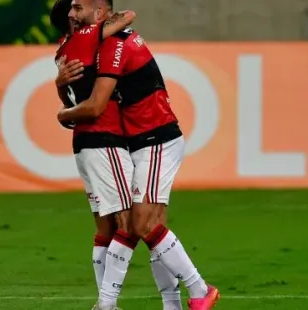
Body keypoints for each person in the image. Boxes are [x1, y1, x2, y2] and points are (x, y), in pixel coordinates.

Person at [57, 6, 221, 310]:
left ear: (98, 12)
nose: (74, 13)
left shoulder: (111, 44)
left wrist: (62, 113)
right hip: (139, 141)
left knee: (138, 223)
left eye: (79, 7)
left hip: (156, 137)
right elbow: (128, 14)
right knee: (149, 225)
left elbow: (94, 105)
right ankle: (174, 303)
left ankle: (195, 290)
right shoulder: (97, 42)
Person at [50, 0, 137, 307]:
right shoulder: (86, 37)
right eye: (73, 10)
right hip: (105, 139)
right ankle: (106, 303)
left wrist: (60, 93)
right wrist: (102, 20)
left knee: (105, 229)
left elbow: (67, 93)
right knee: (130, 224)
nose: (76, 14)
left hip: (83, 143)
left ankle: (106, 303)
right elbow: (127, 16)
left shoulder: (62, 51)